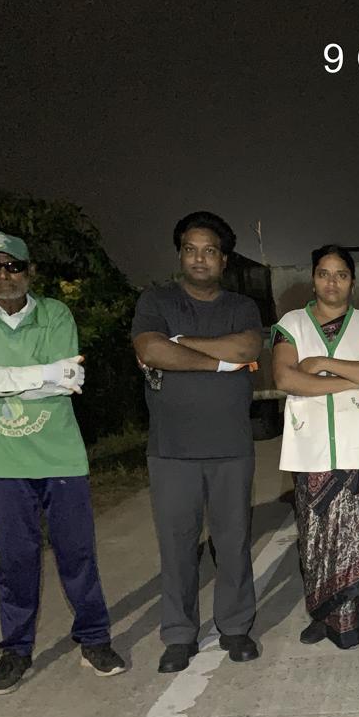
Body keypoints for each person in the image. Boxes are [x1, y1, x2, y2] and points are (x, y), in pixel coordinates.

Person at [0, 232, 123, 694]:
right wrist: (42, 374)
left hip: (61, 456)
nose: (4, 275)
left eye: (13, 266)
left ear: (30, 271)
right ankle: (15, 651)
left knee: (77, 554)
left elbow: (68, 381)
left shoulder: (55, 313)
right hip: (2, 462)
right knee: (15, 561)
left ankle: (94, 640)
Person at [131, 211, 263, 673]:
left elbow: (247, 349)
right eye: (191, 250)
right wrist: (218, 362)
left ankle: (236, 626)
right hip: (171, 449)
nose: (200, 259)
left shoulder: (242, 306)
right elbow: (150, 349)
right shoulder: (156, 300)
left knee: (233, 542)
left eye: (210, 251)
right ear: (180, 255)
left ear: (223, 259)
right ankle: (179, 635)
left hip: (231, 447)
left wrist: (182, 345)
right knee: (177, 546)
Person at [271, 245, 359, 648]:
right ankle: (324, 615)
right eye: (324, 273)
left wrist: (323, 365)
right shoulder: (291, 324)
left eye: (341, 274)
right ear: (313, 279)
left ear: (352, 281)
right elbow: (286, 379)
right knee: (316, 538)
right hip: (310, 450)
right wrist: (358, 376)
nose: (332, 282)